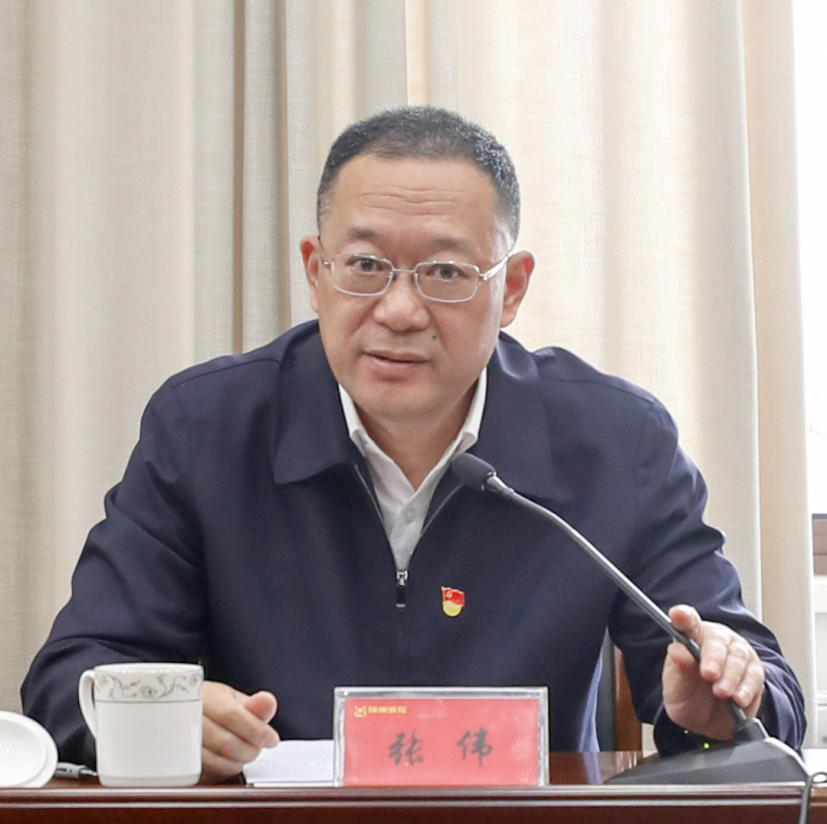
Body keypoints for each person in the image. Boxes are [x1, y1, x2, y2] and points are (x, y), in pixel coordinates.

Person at [22, 106, 805, 782]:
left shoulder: (612, 441)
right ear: (315, 271)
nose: (399, 310)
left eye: (444, 273)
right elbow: (70, 679)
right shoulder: (207, 428)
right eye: (365, 266)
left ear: (511, 287)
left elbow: (757, 688)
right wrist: (161, 715)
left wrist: (723, 700)